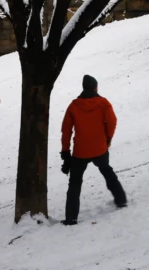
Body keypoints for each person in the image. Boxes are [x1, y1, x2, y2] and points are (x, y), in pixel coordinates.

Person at [60, 75, 127, 225]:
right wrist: (108, 139)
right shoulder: (103, 103)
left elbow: (66, 130)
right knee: (107, 172)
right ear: (96, 87)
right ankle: (121, 199)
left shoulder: (74, 105)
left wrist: (65, 151)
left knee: (75, 183)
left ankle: (71, 218)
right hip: (100, 148)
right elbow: (112, 121)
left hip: (80, 151)